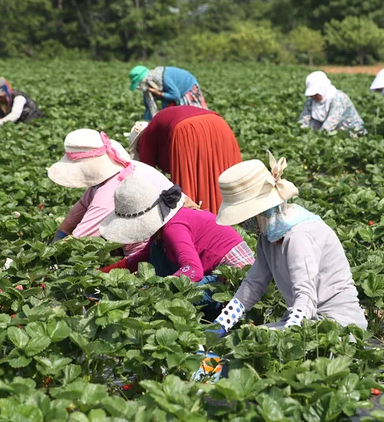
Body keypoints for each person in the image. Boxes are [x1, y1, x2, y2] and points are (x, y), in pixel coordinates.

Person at [208, 154, 368, 334]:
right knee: (245, 339)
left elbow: (306, 295)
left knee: (254, 342)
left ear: (260, 211)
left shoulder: (298, 235)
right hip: (307, 318)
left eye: (244, 218)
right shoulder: (268, 235)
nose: (242, 224)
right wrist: (222, 323)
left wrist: (288, 335)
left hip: (338, 325)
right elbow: (254, 284)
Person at [47, 129, 198, 255]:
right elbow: (80, 208)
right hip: (175, 224)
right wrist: (60, 234)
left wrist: (50, 255)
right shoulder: (119, 168)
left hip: (172, 237)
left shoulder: (110, 191)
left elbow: (81, 240)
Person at [98, 171, 254, 289]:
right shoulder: (164, 225)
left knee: (181, 297)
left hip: (237, 276)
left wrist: (155, 289)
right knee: (156, 252)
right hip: (215, 269)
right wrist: (103, 273)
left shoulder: (173, 228)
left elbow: (193, 271)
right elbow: (144, 255)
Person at [128, 106, 242, 215]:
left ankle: (202, 217)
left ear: (139, 142)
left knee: (194, 179)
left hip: (187, 129)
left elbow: (147, 174)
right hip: (218, 124)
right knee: (220, 169)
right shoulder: (160, 128)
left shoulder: (145, 139)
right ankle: (234, 213)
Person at [129, 65, 207, 121]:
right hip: (175, 92)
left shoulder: (164, 78)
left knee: (189, 116)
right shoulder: (150, 84)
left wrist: (159, 94)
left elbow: (175, 96)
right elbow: (148, 107)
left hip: (187, 87)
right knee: (167, 115)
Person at [298, 71, 365, 135]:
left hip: (350, 131)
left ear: (322, 90)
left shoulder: (338, 98)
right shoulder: (310, 101)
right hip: (331, 133)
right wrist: (301, 133)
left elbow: (330, 123)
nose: (312, 97)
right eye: (311, 94)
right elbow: (304, 119)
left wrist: (316, 139)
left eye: (315, 94)